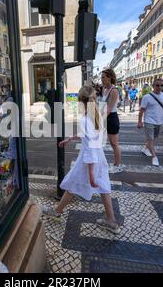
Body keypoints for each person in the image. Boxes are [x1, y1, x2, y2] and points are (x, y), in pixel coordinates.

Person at [42, 86, 120, 234]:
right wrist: (70, 139)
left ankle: (57, 212)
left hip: (88, 161)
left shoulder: (85, 119)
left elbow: (90, 145)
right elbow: (90, 136)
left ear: (80, 101)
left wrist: (91, 172)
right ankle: (111, 220)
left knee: (72, 185)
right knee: (104, 187)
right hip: (100, 157)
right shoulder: (97, 114)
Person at [137, 78, 163, 166]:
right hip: (149, 121)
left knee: (154, 138)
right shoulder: (147, 97)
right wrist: (140, 121)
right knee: (151, 139)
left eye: (161, 85)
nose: (159, 87)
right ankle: (154, 157)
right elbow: (142, 110)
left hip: (159, 121)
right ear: (153, 86)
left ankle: (145, 148)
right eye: (157, 85)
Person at [101, 69, 123, 173]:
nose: (102, 79)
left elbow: (109, 108)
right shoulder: (104, 89)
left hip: (112, 118)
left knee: (114, 143)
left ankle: (117, 165)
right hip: (106, 116)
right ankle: (115, 163)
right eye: (102, 77)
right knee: (110, 142)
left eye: (103, 77)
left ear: (110, 77)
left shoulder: (114, 90)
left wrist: (100, 120)